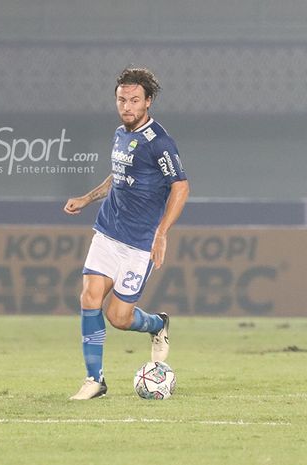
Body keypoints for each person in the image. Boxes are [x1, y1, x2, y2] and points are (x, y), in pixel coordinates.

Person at [63, 67, 190, 399]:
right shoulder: (121, 134)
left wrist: (162, 233)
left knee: (118, 317)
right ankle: (95, 380)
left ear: (148, 102)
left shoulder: (159, 142)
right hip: (107, 232)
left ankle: (157, 324)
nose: (127, 106)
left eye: (135, 100)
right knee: (89, 297)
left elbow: (181, 186)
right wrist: (87, 198)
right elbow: (118, 175)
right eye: (122, 100)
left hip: (139, 244)